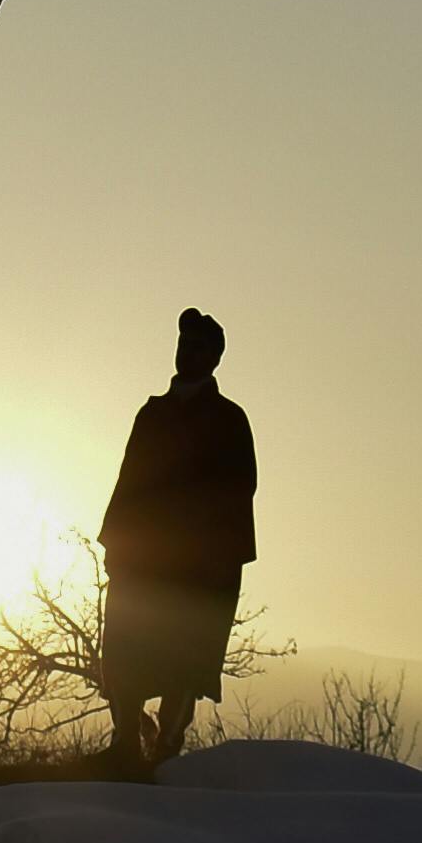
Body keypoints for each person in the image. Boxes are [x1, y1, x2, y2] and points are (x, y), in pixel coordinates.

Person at [97, 309, 258, 775]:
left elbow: (239, 488)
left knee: (184, 655)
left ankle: (167, 747)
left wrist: (207, 545)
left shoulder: (229, 419)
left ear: (214, 358)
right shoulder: (153, 413)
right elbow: (128, 480)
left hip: (199, 562)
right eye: (184, 345)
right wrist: (116, 542)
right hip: (144, 556)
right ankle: (124, 743)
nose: (188, 354)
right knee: (125, 647)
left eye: (199, 348)